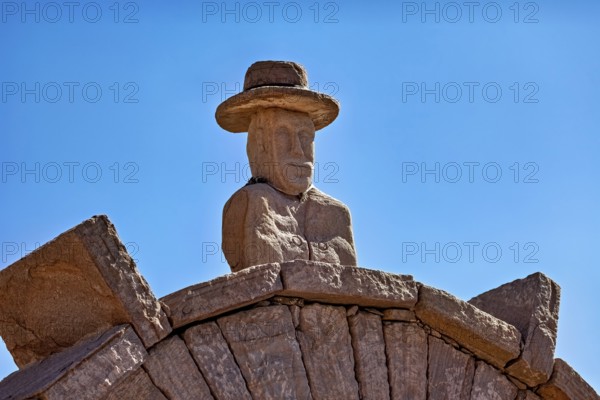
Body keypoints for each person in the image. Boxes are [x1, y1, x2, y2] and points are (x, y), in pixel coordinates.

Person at [216, 61, 357, 272]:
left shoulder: (337, 213)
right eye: (283, 134)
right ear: (259, 143)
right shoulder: (249, 203)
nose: (298, 150)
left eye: (305, 137)